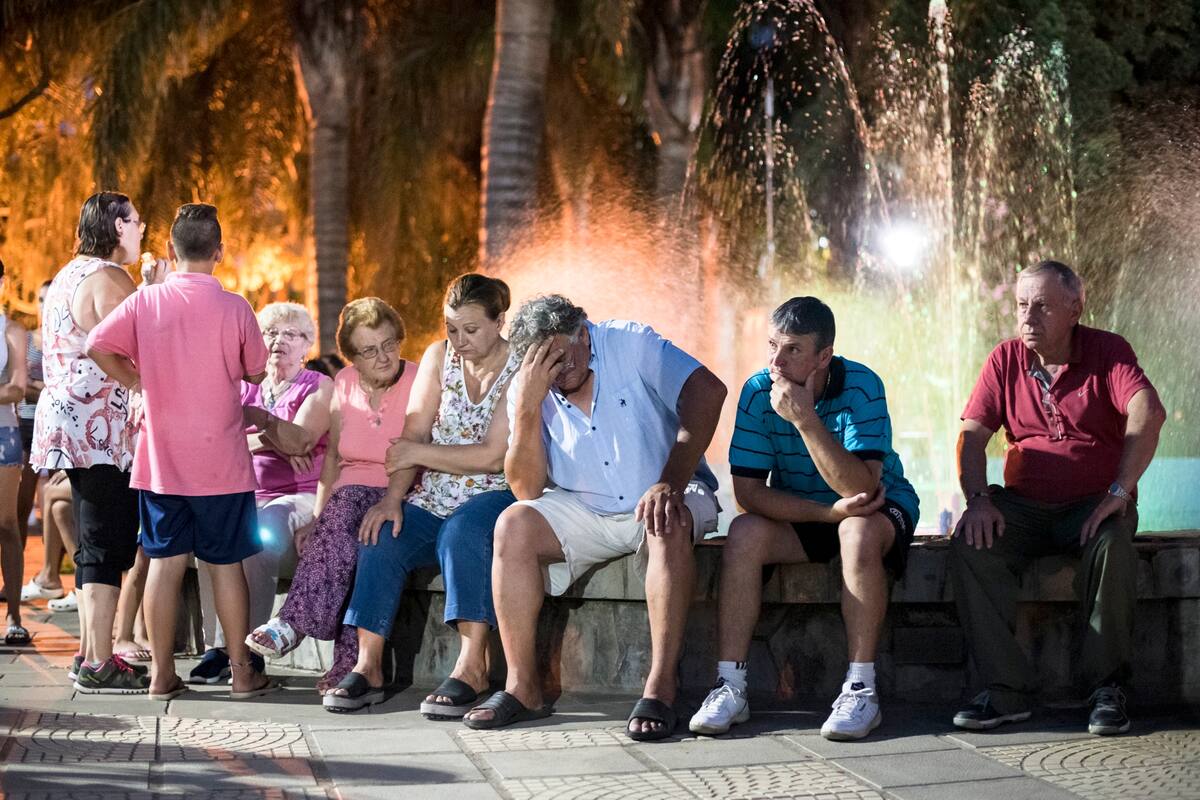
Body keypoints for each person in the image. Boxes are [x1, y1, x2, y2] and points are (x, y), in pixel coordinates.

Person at [462, 295, 726, 740]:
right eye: (546, 364)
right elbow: (526, 489)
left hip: (666, 489)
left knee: (667, 520)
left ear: (584, 334)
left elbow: (708, 391)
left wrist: (670, 481)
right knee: (513, 523)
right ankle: (522, 687)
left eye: (565, 358)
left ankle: (661, 685)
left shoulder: (630, 342)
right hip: (585, 505)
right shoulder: (529, 383)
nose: (559, 372)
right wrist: (527, 407)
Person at [86, 203, 302, 700]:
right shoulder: (236, 307)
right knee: (225, 565)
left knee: (163, 563)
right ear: (219, 252)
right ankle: (243, 674)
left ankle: (162, 675)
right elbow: (254, 371)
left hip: (161, 461)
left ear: (170, 250)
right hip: (222, 462)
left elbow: (97, 344)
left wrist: (137, 381)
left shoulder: (148, 302)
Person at [688, 297, 920, 740]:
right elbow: (748, 495)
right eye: (773, 344)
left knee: (855, 530)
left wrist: (806, 421)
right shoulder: (759, 391)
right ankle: (729, 685)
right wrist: (823, 513)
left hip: (877, 508)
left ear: (823, 357)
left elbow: (862, 490)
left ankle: (860, 690)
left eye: (793, 349)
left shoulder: (862, 385)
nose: (776, 360)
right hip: (813, 510)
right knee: (744, 533)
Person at [951, 260, 1165, 736]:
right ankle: (1007, 691)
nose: (1028, 317)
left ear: (1075, 308)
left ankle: (1106, 689)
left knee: (1112, 546)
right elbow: (970, 436)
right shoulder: (1005, 359)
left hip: (1093, 502)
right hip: (1023, 506)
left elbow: (1147, 410)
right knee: (970, 544)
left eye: (1042, 306)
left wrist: (1119, 491)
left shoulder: (1108, 351)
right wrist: (979, 500)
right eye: (1023, 305)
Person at [326, 274, 519, 714]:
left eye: (470, 330)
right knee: (380, 534)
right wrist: (392, 498)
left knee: (461, 533)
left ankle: (473, 666)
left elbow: (493, 457)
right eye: (452, 328)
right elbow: (411, 433)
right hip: (433, 492)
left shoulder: (519, 365)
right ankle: (369, 665)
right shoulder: (438, 357)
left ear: (499, 320)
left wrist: (423, 452)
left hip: (497, 494)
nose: (459, 340)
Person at [246, 297, 417, 695]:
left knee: (357, 519)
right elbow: (334, 458)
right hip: (348, 497)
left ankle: (293, 623)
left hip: (399, 490)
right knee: (347, 536)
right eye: (369, 351)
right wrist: (317, 519)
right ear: (352, 357)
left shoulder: (418, 379)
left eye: (389, 344)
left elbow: (419, 444)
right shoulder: (344, 383)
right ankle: (347, 663)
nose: (383, 356)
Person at [31, 192, 148, 692]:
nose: (142, 230)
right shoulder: (110, 277)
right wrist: (154, 290)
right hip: (99, 427)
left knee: (93, 539)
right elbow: (136, 340)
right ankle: (102, 661)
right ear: (118, 226)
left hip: (67, 422)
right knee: (106, 541)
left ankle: (87, 654)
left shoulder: (67, 274)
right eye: (137, 222)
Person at [191, 302, 333, 684]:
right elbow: (214, 440)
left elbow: (303, 440)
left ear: (307, 345)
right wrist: (274, 441)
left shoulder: (318, 386)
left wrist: (258, 429)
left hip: (299, 496)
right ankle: (216, 648)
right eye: (270, 333)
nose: (278, 341)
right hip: (244, 490)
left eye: (291, 334)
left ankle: (249, 650)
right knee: (211, 535)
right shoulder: (243, 388)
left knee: (261, 530)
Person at [0, 256, 29, 645]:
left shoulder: (12, 331)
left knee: (7, 523)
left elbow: (18, 386)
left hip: (4, 432)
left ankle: (15, 615)